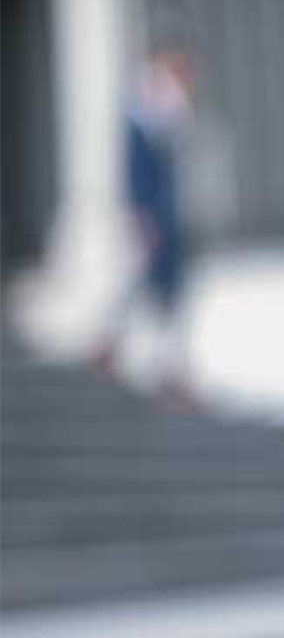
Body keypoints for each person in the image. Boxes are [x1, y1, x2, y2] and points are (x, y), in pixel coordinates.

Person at [91, 44, 196, 411]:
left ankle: (158, 365)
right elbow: (138, 173)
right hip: (152, 220)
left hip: (164, 220)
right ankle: (150, 364)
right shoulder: (147, 114)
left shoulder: (165, 113)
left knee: (162, 294)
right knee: (149, 289)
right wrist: (142, 216)